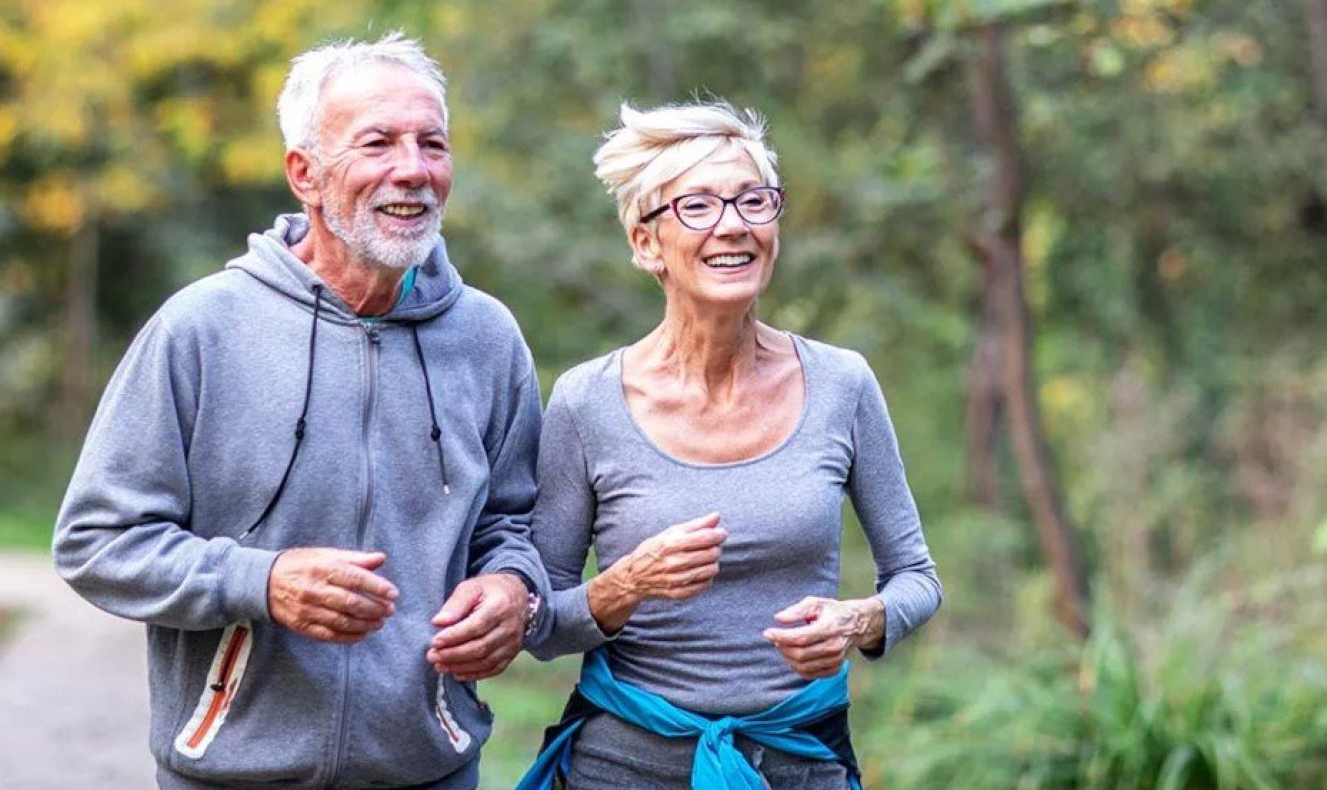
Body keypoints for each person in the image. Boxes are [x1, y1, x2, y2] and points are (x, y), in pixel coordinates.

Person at [54, 32, 549, 790]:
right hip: (230, 773)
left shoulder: (488, 336)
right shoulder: (202, 328)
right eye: (377, 143)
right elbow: (96, 541)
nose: (412, 170)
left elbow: (512, 524)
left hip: (429, 770)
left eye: (432, 144)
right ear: (305, 175)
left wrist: (513, 586)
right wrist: (262, 580)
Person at [518, 102, 943, 790]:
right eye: (698, 206)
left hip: (801, 759)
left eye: (754, 200)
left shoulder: (842, 383)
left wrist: (859, 620)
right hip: (623, 765)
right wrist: (625, 584)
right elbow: (541, 624)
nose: (734, 224)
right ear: (645, 242)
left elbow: (918, 579)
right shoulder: (585, 401)